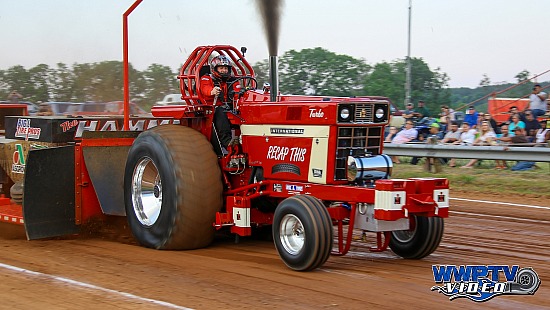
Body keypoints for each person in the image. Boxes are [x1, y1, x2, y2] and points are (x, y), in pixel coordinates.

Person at [199, 55, 242, 152]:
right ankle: (227, 142)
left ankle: (244, 139)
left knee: (243, 111)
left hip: (230, 106)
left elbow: (237, 92)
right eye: (221, 68)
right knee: (221, 112)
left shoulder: (232, 80)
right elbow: (205, 88)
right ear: (215, 68)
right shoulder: (206, 78)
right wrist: (212, 91)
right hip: (212, 107)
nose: (224, 70)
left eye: (226, 68)